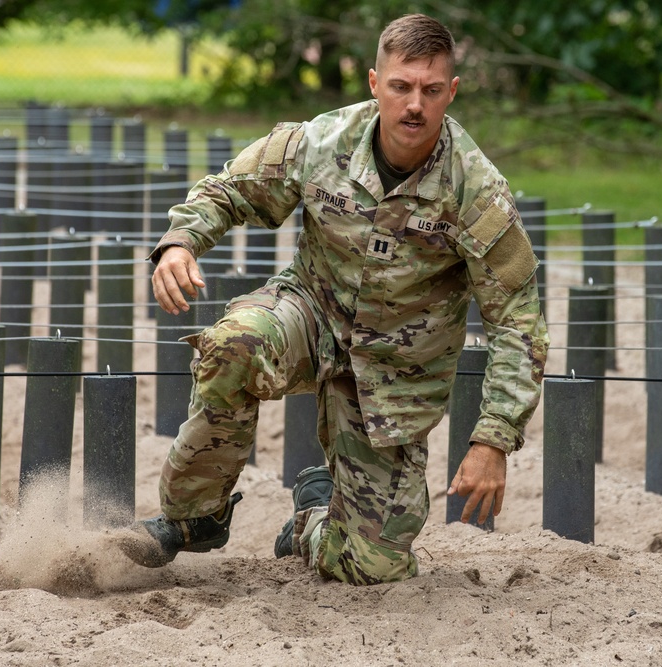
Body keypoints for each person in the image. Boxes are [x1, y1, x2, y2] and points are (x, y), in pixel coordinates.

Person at [120, 13, 548, 585]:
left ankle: (311, 519)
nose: (414, 105)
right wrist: (179, 242)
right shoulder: (322, 141)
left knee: (373, 566)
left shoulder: (476, 191)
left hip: (394, 375)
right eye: (400, 87)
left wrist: (492, 439)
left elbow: (518, 320)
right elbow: (231, 187)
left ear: (451, 92)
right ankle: (195, 518)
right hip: (312, 315)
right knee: (235, 344)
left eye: (430, 90)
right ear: (375, 84)